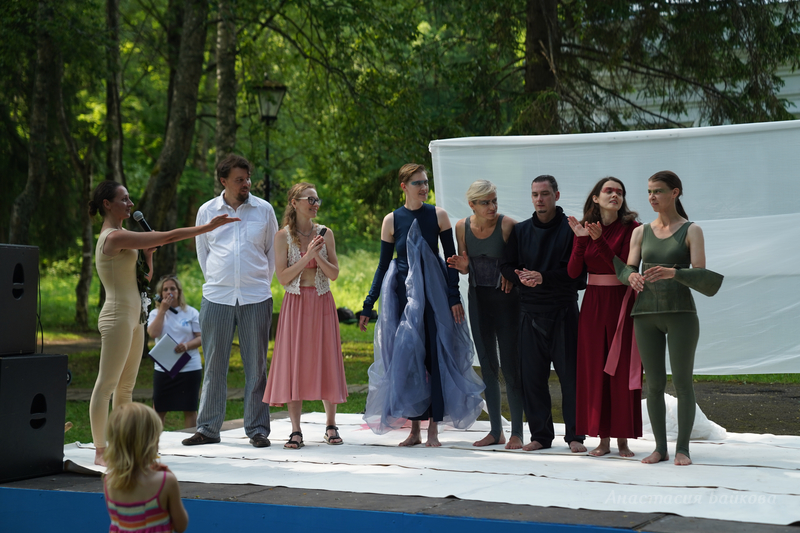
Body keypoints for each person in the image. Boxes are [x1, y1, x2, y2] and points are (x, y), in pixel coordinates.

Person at [88, 180, 239, 465]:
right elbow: (168, 236)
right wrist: (206, 227)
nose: (131, 204)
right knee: (107, 384)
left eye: (130, 198)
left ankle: (122, 447)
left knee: (126, 387)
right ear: (107, 204)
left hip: (136, 316)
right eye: (124, 199)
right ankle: (100, 450)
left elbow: (143, 280)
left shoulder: (124, 238)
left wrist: (147, 256)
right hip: (117, 315)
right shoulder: (112, 237)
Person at [359, 163, 484, 447]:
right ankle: (414, 430)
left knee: (434, 357)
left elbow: (451, 261)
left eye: (426, 182)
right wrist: (368, 304)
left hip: (434, 296)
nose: (424, 187)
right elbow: (382, 265)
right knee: (407, 358)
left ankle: (433, 430)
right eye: (418, 183)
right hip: (403, 296)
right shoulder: (391, 220)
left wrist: (453, 297)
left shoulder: (438, 215)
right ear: (404, 187)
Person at [616, 170, 723, 466]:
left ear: (675, 193)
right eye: (649, 191)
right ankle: (660, 448)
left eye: (658, 191)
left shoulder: (691, 230)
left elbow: (701, 274)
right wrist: (631, 276)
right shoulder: (641, 232)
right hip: (645, 314)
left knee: (683, 382)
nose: (652, 197)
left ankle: (683, 449)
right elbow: (627, 268)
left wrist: (673, 272)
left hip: (681, 314)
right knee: (653, 384)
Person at [182, 154, 279, 449]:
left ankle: (257, 429)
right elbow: (203, 253)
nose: (245, 184)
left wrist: (257, 283)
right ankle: (208, 428)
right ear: (223, 181)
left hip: (256, 297)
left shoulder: (264, 210)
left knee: (257, 367)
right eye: (239, 180)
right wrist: (221, 280)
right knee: (214, 365)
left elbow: (272, 254)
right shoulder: (206, 211)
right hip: (217, 297)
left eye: (247, 178)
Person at [500, 175, 586, 453]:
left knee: (571, 378)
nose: (540, 199)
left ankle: (575, 436)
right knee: (532, 378)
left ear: (556, 196)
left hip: (563, 312)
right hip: (529, 312)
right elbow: (505, 265)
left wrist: (543, 277)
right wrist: (519, 277)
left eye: (545, 194)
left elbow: (579, 277)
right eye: (535, 194)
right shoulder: (521, 231)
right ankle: (540, 435)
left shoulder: (572, 229)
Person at [263, 182, 349, 449]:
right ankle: (296, 430)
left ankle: (331, 425)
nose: (315, 204)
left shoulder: (325, 233)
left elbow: (333, 274)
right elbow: (283, 277)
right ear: (294, 203)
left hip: (322, 302)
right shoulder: (282, 237)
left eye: (317, 200)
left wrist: (318, 256)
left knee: (327, 358)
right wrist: (307, 255)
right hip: (296, 304)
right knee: (294, 362)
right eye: (310, 200)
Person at [567, 177, 642, 457]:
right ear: (596, 198)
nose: (615, 195)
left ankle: (623, 440)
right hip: (593, 304)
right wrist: (580, 240)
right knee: (595, 370)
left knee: (621, 371)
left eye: (620, 192)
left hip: (621, 301)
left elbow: (623, 269)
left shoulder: (633, 228)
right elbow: (574, 273)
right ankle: (603, 439)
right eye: (609, 191)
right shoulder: (585, 227)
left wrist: (598, 241)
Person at [446, 180, 523, 449]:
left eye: (494, 201)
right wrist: (464, 267)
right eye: (485, 202)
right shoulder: (461, 227)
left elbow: (521, 261)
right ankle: (495, 431)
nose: (492, 206)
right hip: (478, 301)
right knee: (488, 367)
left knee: (511, 367)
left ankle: (517, 432)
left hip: (507, 303)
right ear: (472, 205)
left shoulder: (507, 225)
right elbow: (466, 266)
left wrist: (511, 274)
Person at [103, 402, 189, 533]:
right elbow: (181, 526)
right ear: (152, 442)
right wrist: (170, 475)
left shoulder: (109, 481)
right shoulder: (166, 482)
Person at [147, 275, 202, 429]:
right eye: (165, 289)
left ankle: (190, 438)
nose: (169, 292)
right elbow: (153, 333)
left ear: (179, 292)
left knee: (190, 408)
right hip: (164, 367)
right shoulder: (155, 313)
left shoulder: (191, 312)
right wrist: (162, 311)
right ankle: (155, 440)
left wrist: (187, 345)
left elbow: (202, 337)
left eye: (173, 288)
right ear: (160, 293)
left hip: (189, 367)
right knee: (159, 408)